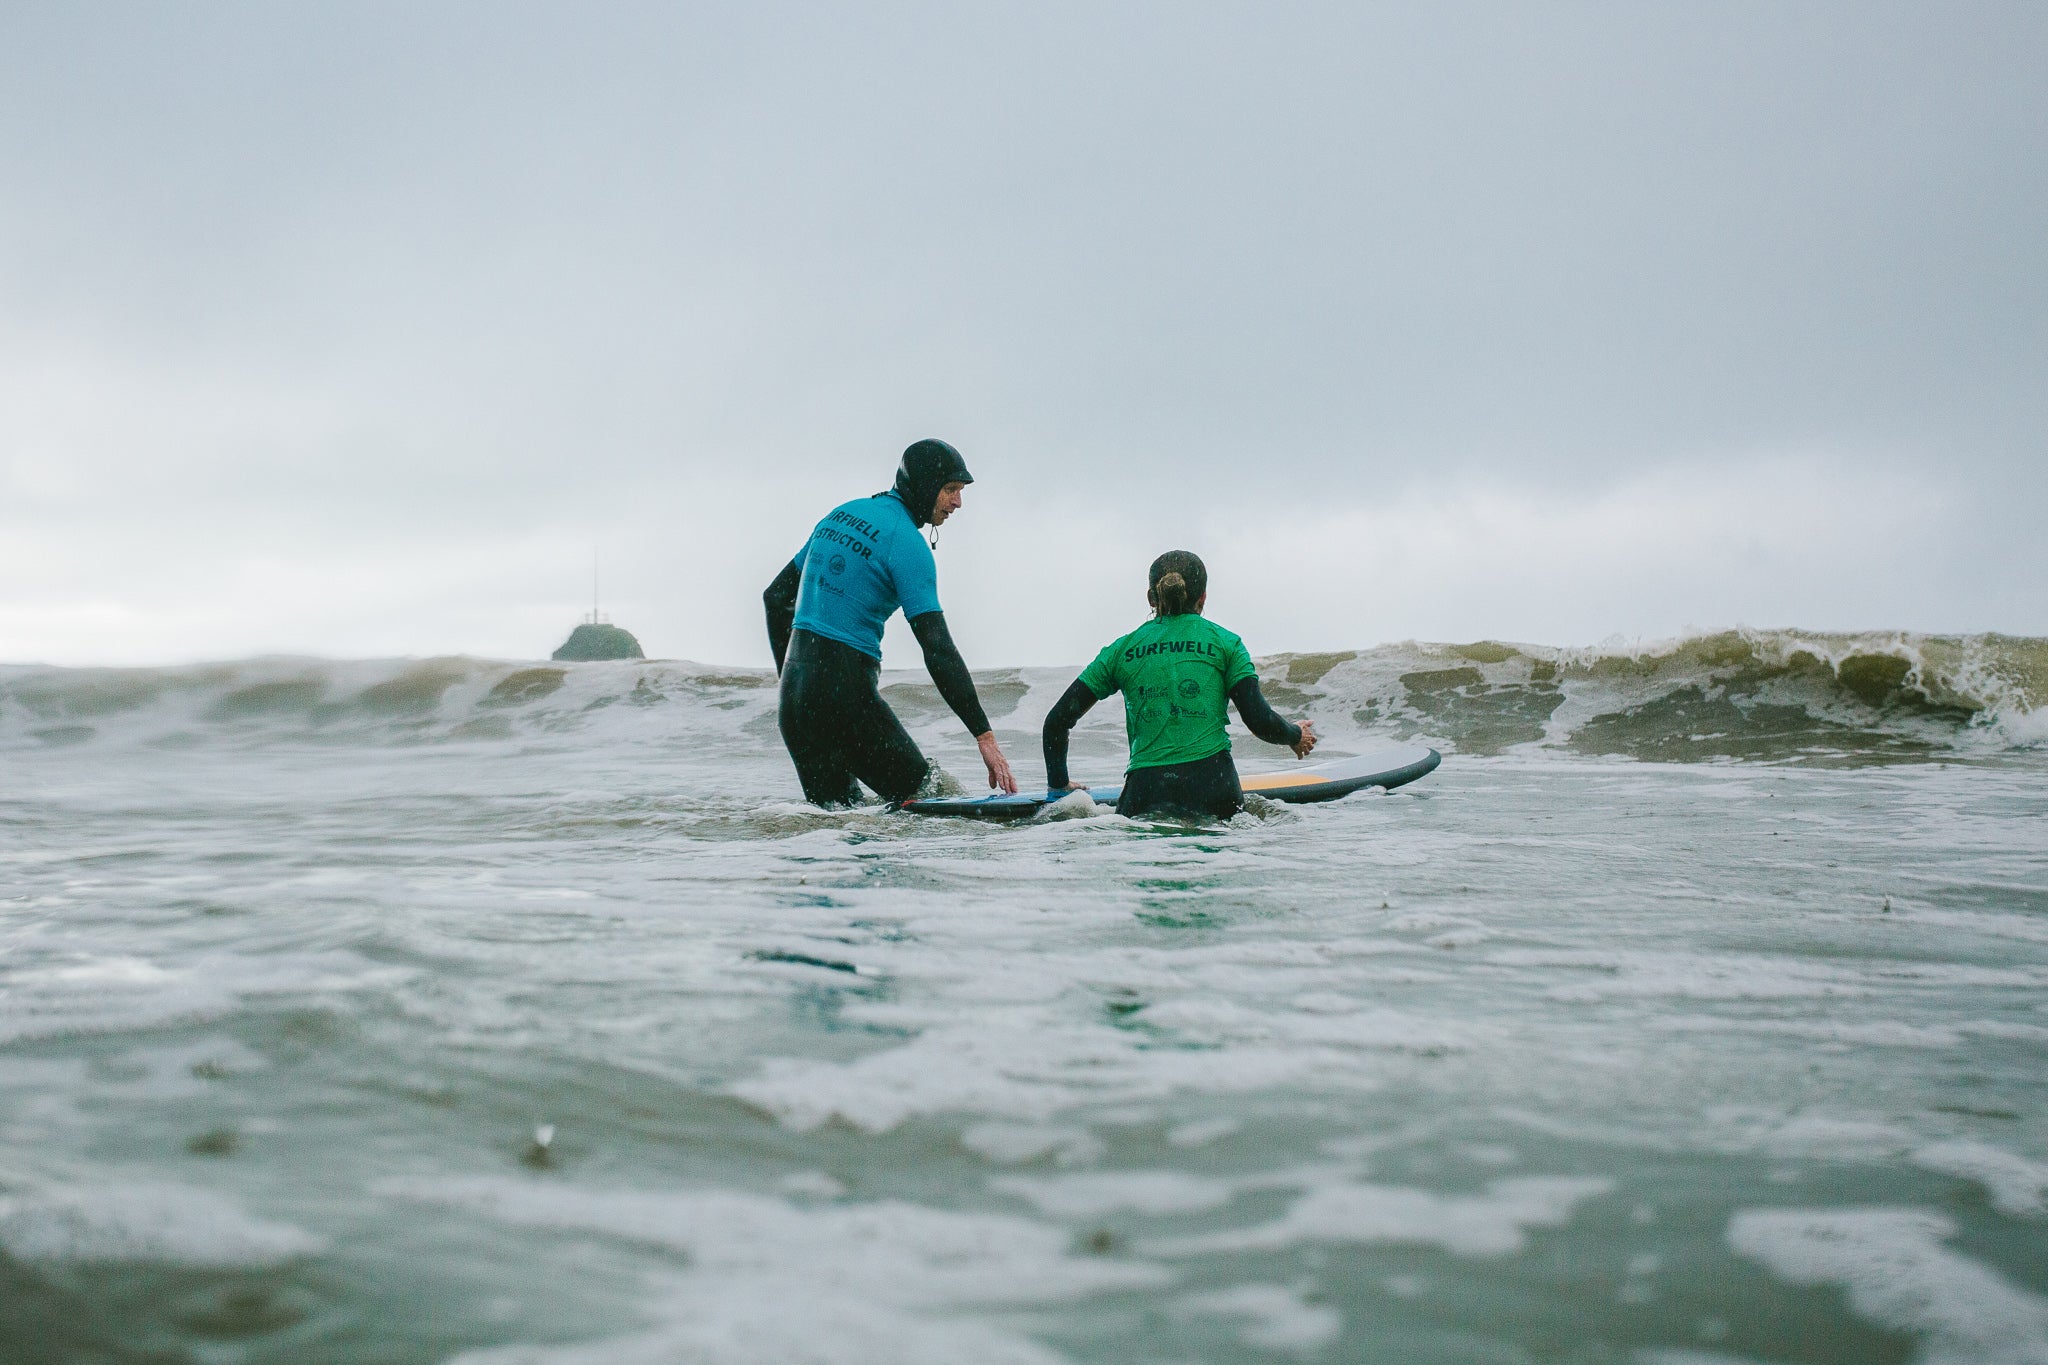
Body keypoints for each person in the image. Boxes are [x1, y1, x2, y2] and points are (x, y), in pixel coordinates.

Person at [763, 438, 1018, 807]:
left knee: (834, 829)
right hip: (846, 693)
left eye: (960, 491)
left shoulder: (840, 514)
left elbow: (775, 598)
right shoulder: (905, 544)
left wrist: (791, 681)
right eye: (950, 490)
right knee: (929, 801)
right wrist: (984, 737)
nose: (958, 502)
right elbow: (937, 648)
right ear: (926, 485)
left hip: (795, 700)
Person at [1041, 550, 1315, 819]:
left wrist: (1059, 787)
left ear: (1151, 598)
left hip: (1145, 792)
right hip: (1214, 788)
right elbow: (1260, 720)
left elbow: (1056, 721)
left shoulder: (1120, 651)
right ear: (1203, 597)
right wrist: (1295, 735)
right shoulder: (1226, 643)